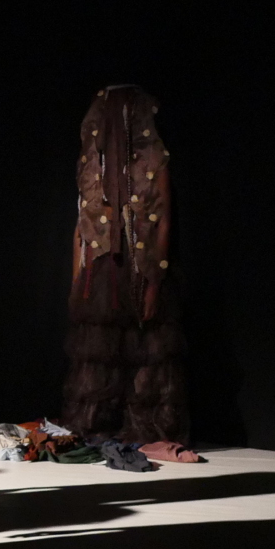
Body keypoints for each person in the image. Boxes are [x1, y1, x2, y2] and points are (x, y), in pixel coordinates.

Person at [61, 85, 188, 444]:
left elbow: (163, 218)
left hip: (140, 264)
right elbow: (81, 227)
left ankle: (147, 428)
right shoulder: (92, 167)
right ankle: (97, 426)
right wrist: (77, 283)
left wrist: (154, 279)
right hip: (101, 271)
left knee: (147, 347)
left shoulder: (154, 162)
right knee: (97, 352)